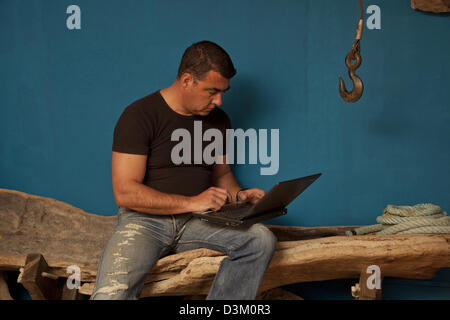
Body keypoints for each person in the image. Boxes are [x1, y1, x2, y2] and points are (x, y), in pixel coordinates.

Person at [90, 40, 277, 300]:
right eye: (212, 91)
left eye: (223, 92)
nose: (219, 101)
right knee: (110, 295)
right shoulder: (139, 115)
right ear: (187, 80)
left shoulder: (219, 121)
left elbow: (221, 175)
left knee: (261, 240)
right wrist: (192, 202)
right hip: (145, 223)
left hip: (199, 222)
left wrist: (239, 197)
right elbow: (125, 192)